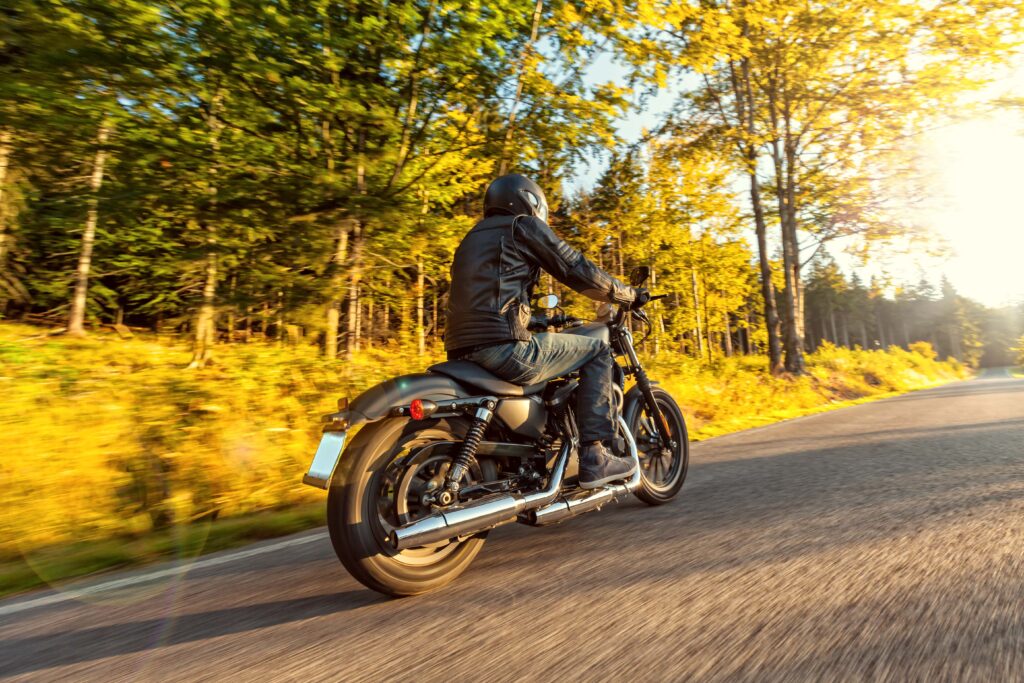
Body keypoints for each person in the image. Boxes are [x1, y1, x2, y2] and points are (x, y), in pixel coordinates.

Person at [445, 174, 649, 489]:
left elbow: (490, 297)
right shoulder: (522, 226)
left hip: (461, 350)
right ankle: (596, 454)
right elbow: (576, 268)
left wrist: (535, 320)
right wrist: (626, 294)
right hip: (503, 348)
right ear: (530, 201)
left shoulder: (470, 240)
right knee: (597, 350)